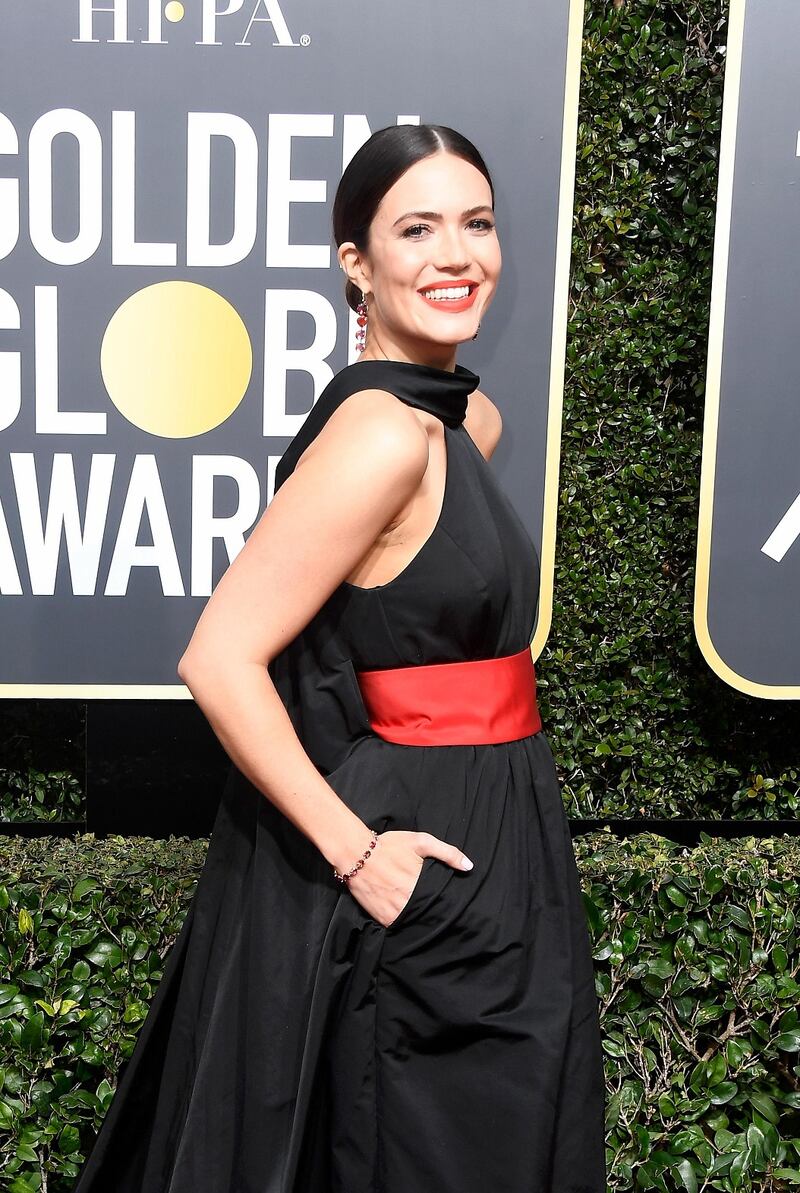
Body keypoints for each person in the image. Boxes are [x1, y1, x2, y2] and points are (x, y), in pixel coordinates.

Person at [72, 123, 606, 1193]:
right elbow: (219, 656)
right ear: (356, 263)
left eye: (477, 224)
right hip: (415, 860)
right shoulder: (380, 435)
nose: (456, 255)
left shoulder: (463, 422)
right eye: (417, 228)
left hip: (503, 836)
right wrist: (360, 853)